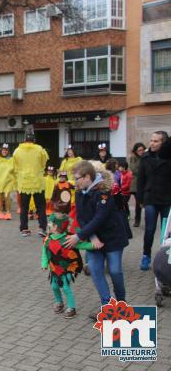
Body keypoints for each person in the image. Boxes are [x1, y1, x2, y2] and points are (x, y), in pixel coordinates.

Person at [65, 160, 129, 316]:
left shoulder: (105, 192)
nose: (75, 182)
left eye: (77, 178)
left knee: (114, 271)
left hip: (113, 237)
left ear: (87, 177)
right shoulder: (80, 192)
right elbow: (81, 217)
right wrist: (91, 237)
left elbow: (100, 217)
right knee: (95, 270)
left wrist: (79, 235)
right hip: (94, 239)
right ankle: (108, 307)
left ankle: (121, 304)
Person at [42, 212, 97, 319]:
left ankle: (72, 308)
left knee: (66, 287)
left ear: (56, 227)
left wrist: (94, 245)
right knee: (54, 286)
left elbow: (82, 245)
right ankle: (59, 302)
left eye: (50, 224)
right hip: (54, 269)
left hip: (67, 269)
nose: (48, 226)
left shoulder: (68, 239)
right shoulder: (48, 239)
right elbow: (45, 252)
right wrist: (44, 263)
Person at [137, 131, 171, 271]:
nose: (152, 143)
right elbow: (140, 180)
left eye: (156, 141)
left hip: (167, 199)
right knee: (149, 229)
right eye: (151, 140)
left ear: (163, 143)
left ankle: (166, 258)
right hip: (150, 198)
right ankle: (146, 256)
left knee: (166, 232)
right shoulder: (145, 157)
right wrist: (140, 199)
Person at [12, 133, 49, 237]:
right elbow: (43, 163)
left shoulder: (17, 151)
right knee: (41, 207)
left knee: (24, 207)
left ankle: (24, 229)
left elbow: (15, 166)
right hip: (37, 182)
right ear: (34, 140)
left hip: (24, 183)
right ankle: (42, 228)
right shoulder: (40, 149)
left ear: (24, 140)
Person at [129, 142, 146, 227]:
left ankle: (147, 219)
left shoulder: (146, 157)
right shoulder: (133, 158)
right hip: (136, 184)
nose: (141, 152)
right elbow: (134, 169)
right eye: (139, 150)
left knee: (145, 202)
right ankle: (137, 220)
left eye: (142, 150)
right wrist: (144, 171)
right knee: (138, 202)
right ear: (135, 151)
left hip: (146, 183)